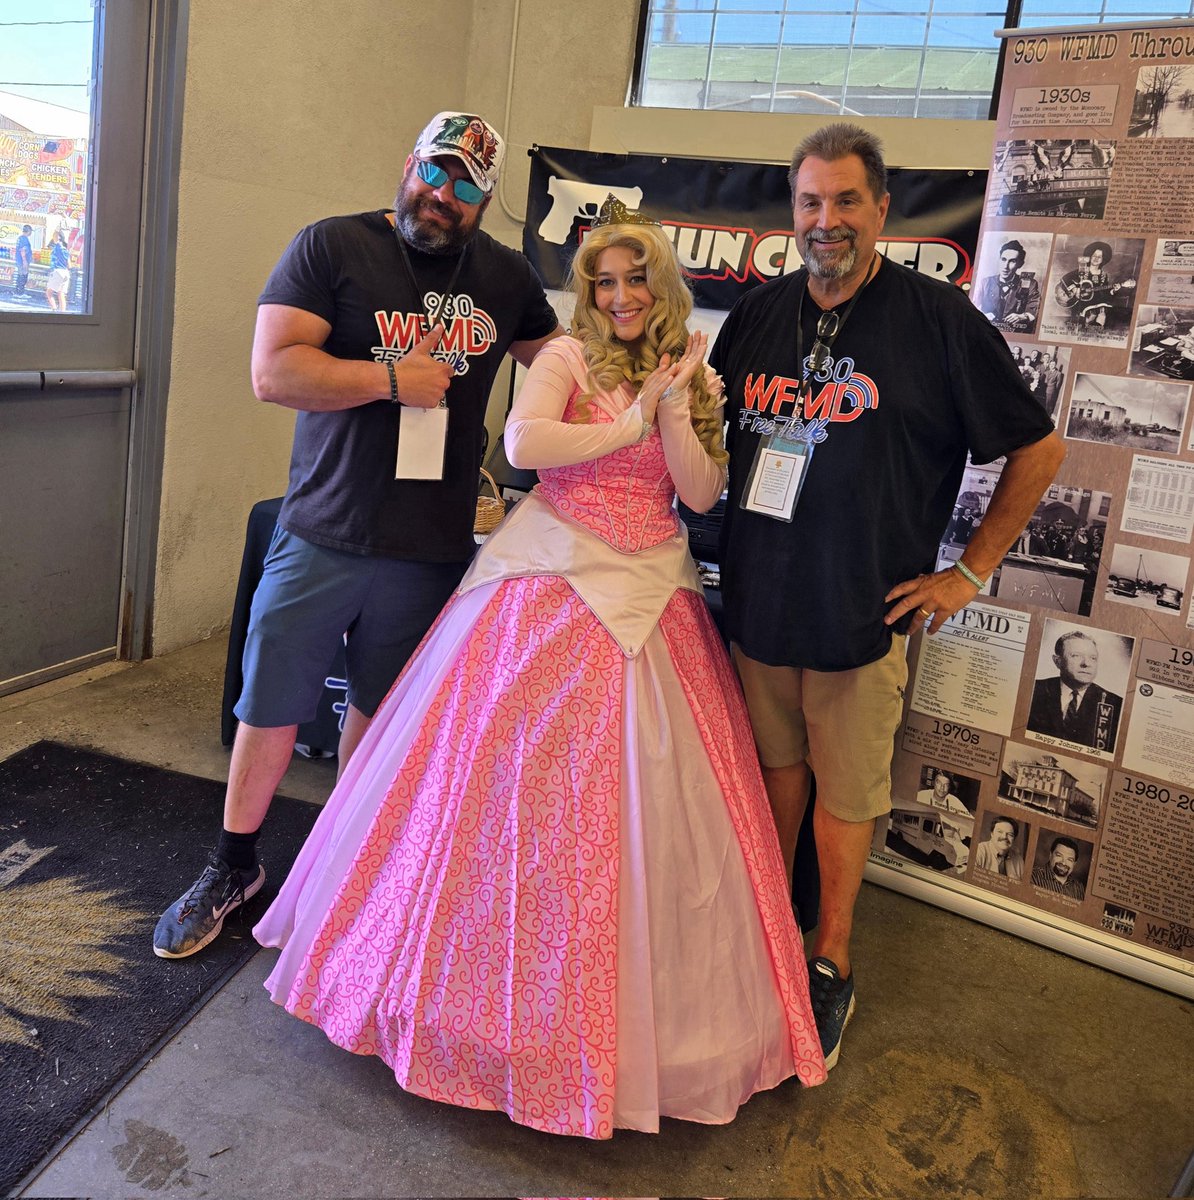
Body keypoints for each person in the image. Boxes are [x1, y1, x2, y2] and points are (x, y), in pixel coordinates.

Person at [252, 199, 827, 1137]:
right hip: (549, 582)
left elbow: (700, 492)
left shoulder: (693, 366)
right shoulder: (563, 356)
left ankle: (624, 1038)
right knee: (503, 797)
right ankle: (461, 1014)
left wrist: (675, 403)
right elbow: (525, 448)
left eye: (636, 278)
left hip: (651, 596)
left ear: (662, 284)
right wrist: (629, 418)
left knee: (642, 817)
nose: (621, 295)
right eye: (603, 281)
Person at [154, 112, 563, 959]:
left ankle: (343, 873)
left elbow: (562, 366)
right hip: (322, 529)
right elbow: (274, 371)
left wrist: (659, 386)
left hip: (430, 547)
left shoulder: (507, 275)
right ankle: (233, 866)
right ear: (409, 162)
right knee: (270, 706)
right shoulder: (332, 246)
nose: (442, 197)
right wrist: (389, 378)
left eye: (465, 188)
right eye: (435, 173)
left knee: (378, 721)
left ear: (487, 202)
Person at [709, 122, 1064, 1069]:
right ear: (793, 212)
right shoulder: (757, 314)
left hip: (862, 613)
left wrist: (969, 570)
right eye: (811, 203)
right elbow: (707, 437)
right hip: (757, 605)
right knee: (775, 770)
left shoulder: (938, 322)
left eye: (847, 202)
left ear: (883, 210)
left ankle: (831, 957)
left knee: (850, 789)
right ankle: (768, 918)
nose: (827, 222)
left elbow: (1039, 449)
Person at [1026, 630, 1122, 752]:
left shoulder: (1115, 704)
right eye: (1076, 656)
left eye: (1093, 658)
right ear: (1057, 661)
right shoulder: (1033, 689)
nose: (1086, 663)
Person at [1055, 241, 1133, 330]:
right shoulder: (1082, 270)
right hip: (1082, 303)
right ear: (1090, 256)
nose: (1096, 258)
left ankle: (1095, 333)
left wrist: (1113, 290)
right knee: (1086, 319)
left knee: (1103, 315)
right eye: (1094, 255)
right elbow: (1065, 278)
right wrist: (1074, 290)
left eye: (1099, 257)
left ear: (1103, 259)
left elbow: (1104, 294)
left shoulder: (1104, 275)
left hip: (1097, 304)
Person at [975, 239, 1040, 333]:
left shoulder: (1030, 284)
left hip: (1015, 334)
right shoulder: (985, 282)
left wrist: (1023, 316)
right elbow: (973, 306)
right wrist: (983, 315)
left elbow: (1035, 308)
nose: (1005, 266)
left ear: (1020, 264)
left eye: (1012, 261)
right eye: (1003, 259)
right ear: (999, 259)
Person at [45, 230, 71, 311]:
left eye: (54, 235)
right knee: (61, 294)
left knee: (49, 293)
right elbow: (69, 265)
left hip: (57, 271)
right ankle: (63, 312)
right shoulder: (66, 250)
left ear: (57, 237)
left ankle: (54, 309)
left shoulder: (56, 247)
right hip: (66, 273)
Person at [14, 224, 32, 299]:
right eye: (30, 231)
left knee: (20, 275)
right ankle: (20, 293)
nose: (31, 233)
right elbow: (23, 250)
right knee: (23, 276)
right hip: (22, 261)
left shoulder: (20, 238)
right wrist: (25, 261)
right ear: (28, 231)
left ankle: (18, 292)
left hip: (19, 260)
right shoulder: (24, 239)